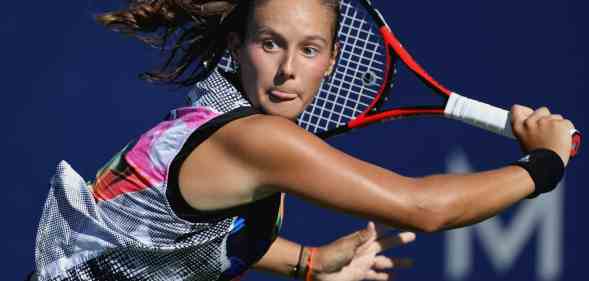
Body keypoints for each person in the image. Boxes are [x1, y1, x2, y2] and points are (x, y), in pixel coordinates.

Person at [31, 0, 576, 281]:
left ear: (332, 62)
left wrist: (310, 262)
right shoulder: (257, 139)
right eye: (271, 44)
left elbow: (173, 238)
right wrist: (542, 164)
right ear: (237, 45)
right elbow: (421, 208)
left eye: (310, 50)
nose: (288, 69)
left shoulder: (212, 115)